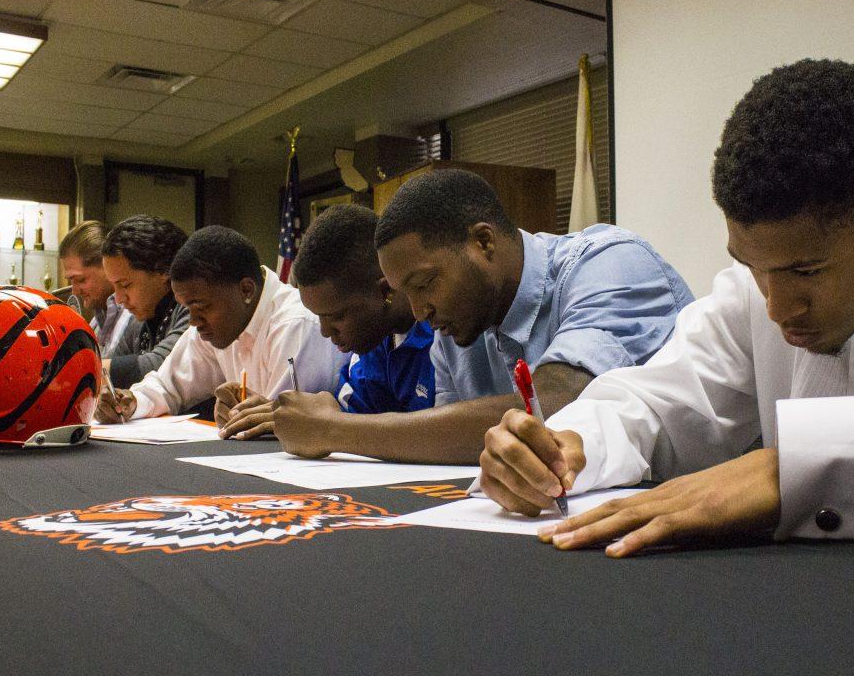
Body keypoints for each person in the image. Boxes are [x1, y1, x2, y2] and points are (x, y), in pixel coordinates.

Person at [477, 58, 854, 557]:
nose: (776, 307)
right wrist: (567, 446)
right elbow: (653, 402)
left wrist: (814, 464)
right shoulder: (758, 292)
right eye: (753, 268)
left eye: (806, 271)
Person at [270, 168, 694, 464]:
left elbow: (555, 408)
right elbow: (446, 442)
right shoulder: (449, 334)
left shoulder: (609, 262)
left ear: (483, 243)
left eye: (425, 283)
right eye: (406, 295)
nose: (420, 312)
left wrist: (334, 430)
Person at [220, 204, 433, 440]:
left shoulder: (444, 332)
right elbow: (347, 420)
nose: (324, 331)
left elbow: (447, 439)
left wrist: (332, 424)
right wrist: (288, 415)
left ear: (384, 292)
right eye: (319, 316)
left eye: (336, 316)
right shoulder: (371, 349)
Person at [94, 226, 343, 424]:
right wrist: (131, 401)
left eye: (201, 307)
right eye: (187, 308)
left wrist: (245, 419)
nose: (193, 321)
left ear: (246, 289)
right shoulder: (216, 323)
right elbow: (167, 386)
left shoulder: (296, 325)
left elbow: (285, 425)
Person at [99, 215, 191, 389]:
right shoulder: (141, 317)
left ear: (164, 270)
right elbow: (114, 364)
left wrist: (84, 370)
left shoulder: (194, 306)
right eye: (114, 286)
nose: (118, 299)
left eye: (125, 285)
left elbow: (162, 366)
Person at [58, 220, 138, 382]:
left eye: (80, 280)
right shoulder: (96, 320)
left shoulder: (136, 314)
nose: (74, 291)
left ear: (107, 267)